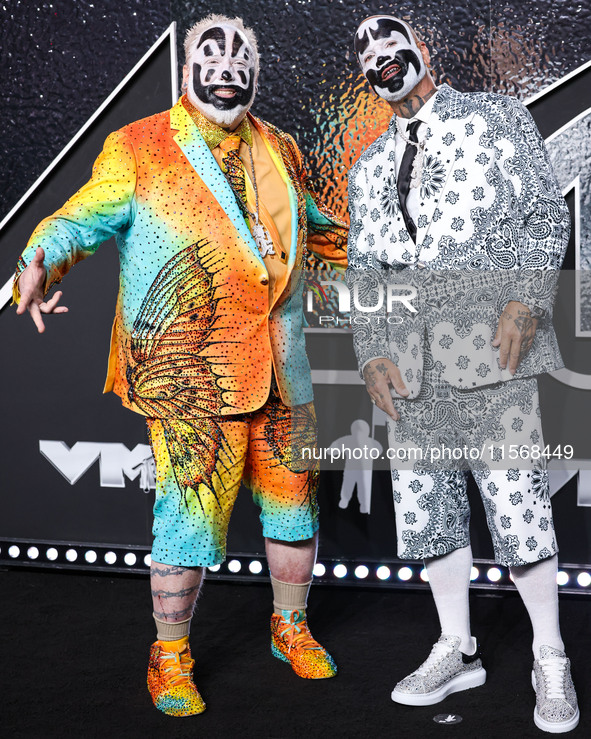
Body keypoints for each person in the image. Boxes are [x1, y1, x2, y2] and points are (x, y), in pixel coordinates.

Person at [14, 14, 347, 717]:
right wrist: (39, 258)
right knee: (189, 519)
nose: (226, 67)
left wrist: (407, 246)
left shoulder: (281, 146)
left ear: (254, 71)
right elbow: (79, 221)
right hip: (193, 374)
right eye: (211, 54)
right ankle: (168, 656)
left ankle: (290, 627)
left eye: (240, 58)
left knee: (294, 507)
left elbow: (317, 227)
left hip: (286, 368)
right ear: (187, 69)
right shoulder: (136, 146)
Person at [347, 15, 578, 734]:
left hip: (494, 354)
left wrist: (525, 300)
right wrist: (370, 353)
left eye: (393, 43)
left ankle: (550, 657)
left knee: (517, 510)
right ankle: (457, 647)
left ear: (423, 49)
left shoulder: (497, 118)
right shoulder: (367, 168)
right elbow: (362, 272)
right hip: (411, 373)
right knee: (427, 516)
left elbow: (544, 214)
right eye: (369, 54)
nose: (382, 57)